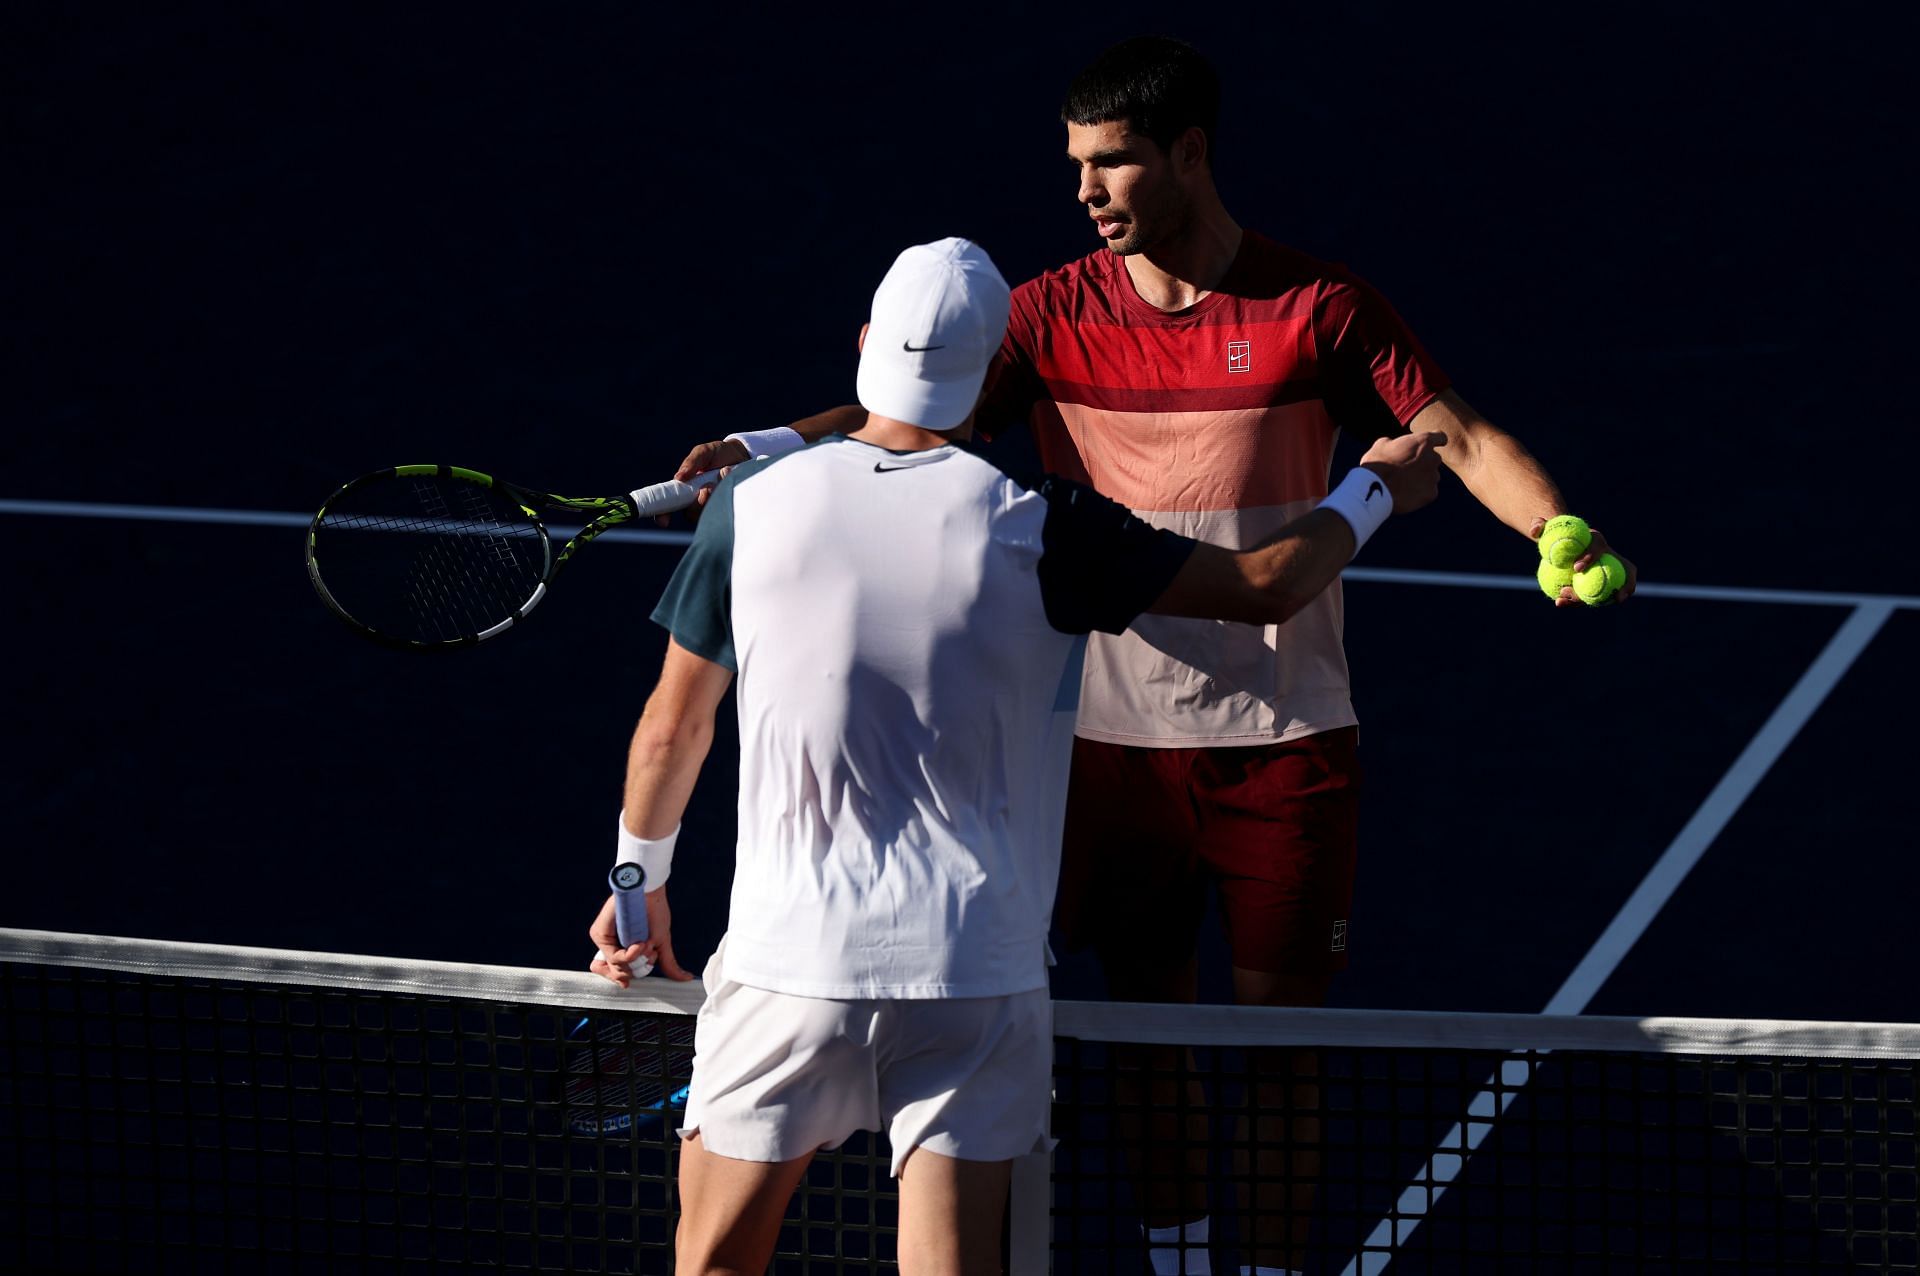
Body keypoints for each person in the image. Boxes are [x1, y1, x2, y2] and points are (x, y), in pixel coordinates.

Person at [669, 36, 1638, 1276]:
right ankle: (1179, 1262)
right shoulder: (1049, 316)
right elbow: (898, 413)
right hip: (1112, 757)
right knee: (1145, 1047)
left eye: (1114, 164)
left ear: (1190, 154)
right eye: (1077, 165)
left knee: (1285, 1057)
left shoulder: (1317, 311)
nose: (1086, 192)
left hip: (1287, 751)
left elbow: (1450, 433)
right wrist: (766, 443)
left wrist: (1553, 527)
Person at [590, 236, 1443, 1276]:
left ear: (866, 345)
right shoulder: (1047, 529)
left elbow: (672, 729)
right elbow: (1265, 583)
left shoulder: (749, 508)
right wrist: (1372, 488)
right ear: (995, 363)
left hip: (784, 969)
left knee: (714, 1265)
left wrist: (638, 894)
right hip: (972, 977)